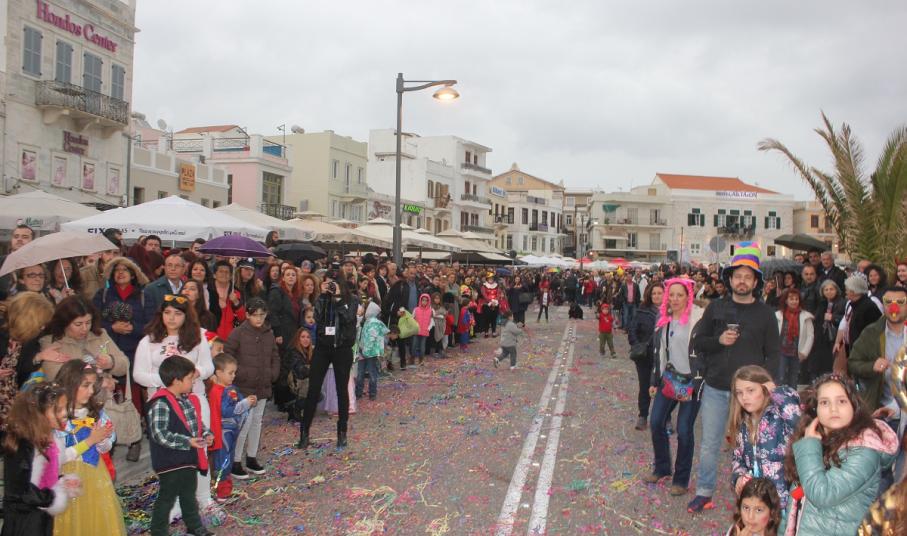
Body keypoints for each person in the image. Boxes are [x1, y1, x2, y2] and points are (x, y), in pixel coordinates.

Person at [689, 243, 781, 513]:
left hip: (751, 393)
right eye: (738, 276)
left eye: (747, 277)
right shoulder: (715, 308)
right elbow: (699, 342)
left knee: (753, 446)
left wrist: (766, 384)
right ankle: (704, 492)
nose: (742, 281)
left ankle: (755, 497)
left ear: (756, 282)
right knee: (710, 444)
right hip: (717, 387)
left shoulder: (766, 314)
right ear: (730, 280)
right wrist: (718, 341)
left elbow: (774, 354)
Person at [779, 374, 899, 535]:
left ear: (854, 406)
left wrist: (809, 446)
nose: (833, 409)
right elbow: (796, 502)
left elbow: (822, 495)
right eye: (825, 402)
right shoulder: (817, 443)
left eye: (841, 401)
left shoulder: (864, 451)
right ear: (815, 409)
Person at [132, 293, 215, 511]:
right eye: (167, 313)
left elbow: (209, 367)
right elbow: (138, 374)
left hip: (194, 399)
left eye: (177, 313)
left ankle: (204, 497)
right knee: (171, 452)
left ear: (186, 316)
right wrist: (169, 381)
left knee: (199, 447)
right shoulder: (149, 341)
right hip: (163, 404)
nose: (171, 318)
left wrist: (195, 372)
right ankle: (176, 502)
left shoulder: (198, 337)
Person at [644, 277, 704, 497]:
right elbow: (659, 353)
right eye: (672, 295)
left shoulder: (698, 319)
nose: (675, 299)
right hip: (670, 379)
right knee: (656, 422)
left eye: (680, 295)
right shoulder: (664, 319)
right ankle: (662, 467)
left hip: (691, 382)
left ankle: (681, 479)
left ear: (688, 297)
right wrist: (654, 381)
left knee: (684, 430)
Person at [53, 359, 126, 535]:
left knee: (97, 517)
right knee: (73, 521)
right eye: (85, 385)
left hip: (95, 475)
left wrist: (101, 439)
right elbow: (56, 456)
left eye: (93, 386)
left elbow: (105, 448)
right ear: (70, 384)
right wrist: (91, 440)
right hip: (67, 478)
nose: (91, 391)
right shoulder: (57, 417)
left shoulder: (96, 413)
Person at [147, 355, 215, 536]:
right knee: (167, 498)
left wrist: (206, 435)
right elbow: (159, 434)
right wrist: (187, 441)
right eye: (190, 378)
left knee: (188, 494)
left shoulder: (186, 401)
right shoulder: (160, 403)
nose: (193, 382)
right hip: (169, 461)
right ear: (177, 381)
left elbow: (197, 425)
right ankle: (158, 531)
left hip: (187, 458)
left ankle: (194, 526)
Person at [1, 383, 82, 536]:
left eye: (65, 408)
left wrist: (62, 482)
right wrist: (52, 497)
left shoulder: (49, 440)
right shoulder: (23, 443)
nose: (65, 414)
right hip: (24, 522)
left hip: (40, 517)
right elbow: (20, 491)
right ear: (39, 413)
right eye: (58, 410)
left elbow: (43, 478)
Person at [298, 276, 359, 450]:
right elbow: (316, 317)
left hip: (342, 348)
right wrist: (323, 295)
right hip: (323, 348)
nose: (331, 286)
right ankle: (304, 433)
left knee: (342, 390)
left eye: (334, 283)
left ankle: (342, 432)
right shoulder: (322, 299)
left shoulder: (352, 300)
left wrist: (338, 298)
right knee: (313, 389)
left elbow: (348, 318)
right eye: (328, 283)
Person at [726, 365, 800, 509]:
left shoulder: (779, 417)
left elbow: (797, 421)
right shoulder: (743, 423)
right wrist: (738, 478)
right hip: (757, 502)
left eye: (751, 390)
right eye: (739, 392)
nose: (744, 397)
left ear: (765, 389)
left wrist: (775, 391)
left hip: (785, 500)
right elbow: (738, 458)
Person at [224, 298, 279, 479]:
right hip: (244, 386)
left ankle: (251, 457)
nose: (259, 318)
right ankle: (236, 461)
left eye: (262, 315)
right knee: (244, 424)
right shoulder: (238, 333)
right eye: (255, 315)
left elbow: (274, 355)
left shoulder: (268, 333)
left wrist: (272, 373)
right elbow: (228, 355)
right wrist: (240, 373)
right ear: (247, 315)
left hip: (262, 384)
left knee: (256, 422)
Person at [0, 292, 55, 442]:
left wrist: (38, 357)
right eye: (40, 323)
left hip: (10, 405)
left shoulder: (30, 339)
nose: (43, 327)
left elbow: (23, 371)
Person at [37, 297, 129, 382]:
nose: (85, 328)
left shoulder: (100, 335)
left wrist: (112, 362)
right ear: (65, 322)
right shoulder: (51, 341)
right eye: (78, 324)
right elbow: (54, 376)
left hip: (104, 394)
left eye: (88, 323)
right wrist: (98, 383)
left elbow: (125, 364)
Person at [207, 353, 256, 503]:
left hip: (232, 430)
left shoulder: (230, 388)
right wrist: (245, 404)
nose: (233, 376)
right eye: (230, 373)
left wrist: (249, 400)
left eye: (234, 372)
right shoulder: (217, 391)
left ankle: (226, 490)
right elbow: (226, 411)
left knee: (228, 458)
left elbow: (239, 400)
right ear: (218, 373)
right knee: (223, 461)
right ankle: (220, 492)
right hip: (222, 432)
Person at [628, 282, 664, 431]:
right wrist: (638, 345)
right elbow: (632, 330)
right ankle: (643, 415)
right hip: (645, 357)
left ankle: (665, 417)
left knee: (664, 388)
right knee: (644, 386)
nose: (656, 296)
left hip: (663, 358)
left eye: (659, 293)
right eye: (654, 293)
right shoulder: (642, 311)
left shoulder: (671, 312)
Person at [774, 288, 815, 388]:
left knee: (793, 379)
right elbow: (773, 333)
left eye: (796, 299)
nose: (794, 301)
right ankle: (778, 397)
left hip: (797, 352)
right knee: (780, 377)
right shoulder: (778, 315)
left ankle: (792, 397)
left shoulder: (806, 316)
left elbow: (810, 336)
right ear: (786, 300)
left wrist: (805, 352)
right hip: (781, 351)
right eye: (791, 299)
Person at [808, 280, 845, 381]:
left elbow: (846, 319)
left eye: (831, 289)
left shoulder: (842, 302)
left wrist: (833, 317)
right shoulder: (822, 303)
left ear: (836, 290)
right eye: (826, 290)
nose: (829, 292)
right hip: (821, 337)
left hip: (835, 337)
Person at [356, 301, 390, 400]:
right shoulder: (374, 322)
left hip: (364, 351)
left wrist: (363, 348)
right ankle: (372, 393)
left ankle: (359, 393)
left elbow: (367, 337)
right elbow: (385, 332)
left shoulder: (368, 321)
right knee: (371, 372)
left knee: (361, 373)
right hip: (370, 352)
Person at [209, 260, 246, 341]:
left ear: (231, 276)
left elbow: (242, 318)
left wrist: (236, 302)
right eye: (221, 271)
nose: (224, 274)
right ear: (214, 275)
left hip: (231, 338)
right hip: (210, 337)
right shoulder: (208, 291)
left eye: (227, 272)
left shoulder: (236, 292)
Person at [285, 327, 313, 422]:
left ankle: (297, 405)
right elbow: (300, 371)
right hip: (291, 383)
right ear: (298, 338)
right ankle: (295, 407)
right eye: (303, 337)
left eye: (308, 337)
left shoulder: (308, 352)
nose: (306, 339)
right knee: (316, 393)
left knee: (320, 394)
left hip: (300, 381)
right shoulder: (293, 351)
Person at [478, 273, 501, 337]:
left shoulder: (497, 285)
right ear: (487, 279)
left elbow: (498, 294)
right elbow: (484, 295)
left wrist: (495, 301)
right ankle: (486, 332)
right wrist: (490, 301)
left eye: (492, 278)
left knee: (494, 318)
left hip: (495, 303)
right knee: (486, 319)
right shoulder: (484, 286)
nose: (491, 279)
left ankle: (494, 331)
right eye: (489, 278)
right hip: (486, 304)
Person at [412, 293, 432, 366]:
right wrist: (414, 326)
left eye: (426, 300)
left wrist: (428, 328)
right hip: (417, 330)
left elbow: (432, 321)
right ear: (420, 300)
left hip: (425, 331)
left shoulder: (430, 310)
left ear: (428, 301)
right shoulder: (416, 309)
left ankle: (421, 359)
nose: (424, 302)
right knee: (414, 345)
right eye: (423, 300)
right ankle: (412, 358)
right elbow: (412, 319)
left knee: (422, 347)